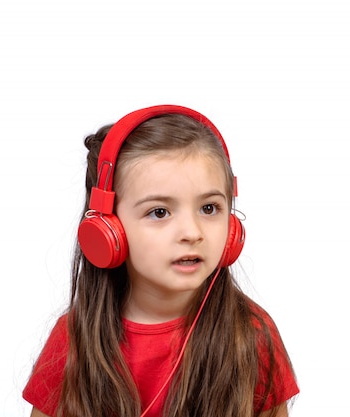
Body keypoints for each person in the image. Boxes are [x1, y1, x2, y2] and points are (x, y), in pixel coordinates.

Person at [22, 105, 299, 417]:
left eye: (209, 208)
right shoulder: (75, 339)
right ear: (108, 230)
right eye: (159, 212)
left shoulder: (250, 335)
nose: (192, 233)